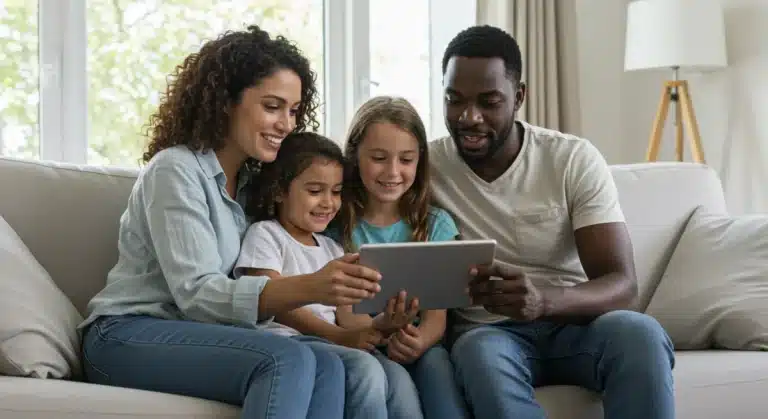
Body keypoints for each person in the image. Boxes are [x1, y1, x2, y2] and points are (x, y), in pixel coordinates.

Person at [78, 26, 382, 419]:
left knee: (329, 365)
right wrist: (311, 286)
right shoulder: (176, 170)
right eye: (272, 107)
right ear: (225, 103)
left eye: (293, 110)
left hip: (203, 335)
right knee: (286, 359)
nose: (287, 124)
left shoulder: (257, 186)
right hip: (126, 336)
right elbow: (197, 295)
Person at [428, 25, 676, 419]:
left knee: (640, 335)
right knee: (477, 353)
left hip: (576, 325)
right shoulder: (424, 167)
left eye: (489, 102)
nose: (469, 117)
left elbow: (623, 285)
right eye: (454, 100)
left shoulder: (571, 159)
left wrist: (542, 301)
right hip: (489, 333)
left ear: (519, 97)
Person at [234, 131, 416, 419]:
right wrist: (339, 337)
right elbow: (274, 304)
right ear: (279, 191)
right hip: (290, 343)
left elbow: (349, 315)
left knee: (399, 378)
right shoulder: (266, 235)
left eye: (336, 191)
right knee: (365, 369)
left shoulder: (332, 248)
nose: (329, 203)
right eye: (315, 191)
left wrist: (382, 325)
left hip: (332, 341)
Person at [331, 96, 470, 419]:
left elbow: (436, 317)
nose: (393, 172)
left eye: (406, 159)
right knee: (395, 389)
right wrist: (382, 331)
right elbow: (344, 315)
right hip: (362, 341)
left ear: (419, 161)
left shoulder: (436, 225)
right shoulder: (335, 226)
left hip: (420, 343)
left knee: (438, 369)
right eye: (379, 158)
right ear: (354, 157)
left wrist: (419, 340)